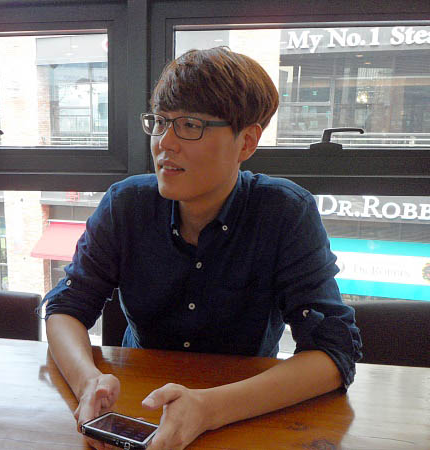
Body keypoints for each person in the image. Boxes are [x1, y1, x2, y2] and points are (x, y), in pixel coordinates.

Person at [42, 46, 362, 450]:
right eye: (160, 122)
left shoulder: (284, 212)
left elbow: (333, 352)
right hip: (139, 404)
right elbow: (66, 307)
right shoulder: (126, 204)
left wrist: (208, 409)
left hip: (244, 412)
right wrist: (88, 383)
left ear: (247, 142)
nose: (165, 143)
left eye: (190, 125)